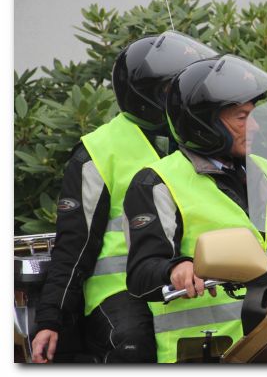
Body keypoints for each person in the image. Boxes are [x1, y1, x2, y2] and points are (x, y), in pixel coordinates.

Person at [31, 31, 217, 363]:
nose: (188, 97)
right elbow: (73, 246)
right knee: (135, 345)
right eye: (177, 89)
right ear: (149, 94)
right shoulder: (98, 152)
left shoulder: (199, 141)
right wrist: (50, 319)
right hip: (120, 290)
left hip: (192, 282)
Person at [124, 54, 267, 363]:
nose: (256, 126)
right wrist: (176, 268)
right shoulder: (157, 182)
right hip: (208, 351)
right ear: (204, 123)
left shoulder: (263, 170)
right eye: (242, 117)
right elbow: (141, 274)